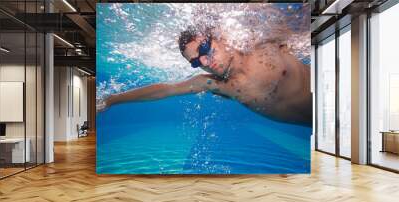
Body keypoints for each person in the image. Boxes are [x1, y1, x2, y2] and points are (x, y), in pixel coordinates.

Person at [97, 26, 312, 126]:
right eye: (196, 61)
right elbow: (165, 89)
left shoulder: (263, 45)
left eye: (205, 49)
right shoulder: (218, 84)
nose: (206, 62)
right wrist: (111, 100)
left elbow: (301, 32)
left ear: (219, 38)